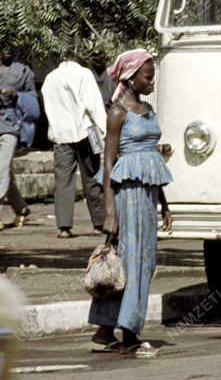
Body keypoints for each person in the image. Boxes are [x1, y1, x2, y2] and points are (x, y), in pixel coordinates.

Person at [89, 49, 172, 356]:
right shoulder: (117, 113)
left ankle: (104, 331)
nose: (152, 82)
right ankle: (130, 334)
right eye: (147, 76)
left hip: (147, 198)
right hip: (126, 199)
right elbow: (109, 163)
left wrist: (164, 204)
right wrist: (110, 212)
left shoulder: (148, 110)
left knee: (139, 264)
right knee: (131, 264)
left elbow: (152, 161)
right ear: (130, 77)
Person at [41, 51, 108, 239]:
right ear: (80, 61)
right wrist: (106, 130)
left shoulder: (50, 78)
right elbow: (94, 105)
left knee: (63, 180)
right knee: (93, 177)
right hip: (88, 131)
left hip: (60, 134)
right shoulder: (85, 74)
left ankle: (64, 227)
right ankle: (99, 222)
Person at [0, 50, 35, 229]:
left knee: (2, 168)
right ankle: (21, 209)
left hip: (10, 125)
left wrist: (15, 95)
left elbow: (33, 99)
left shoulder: (23, 71)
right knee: (5, 172)